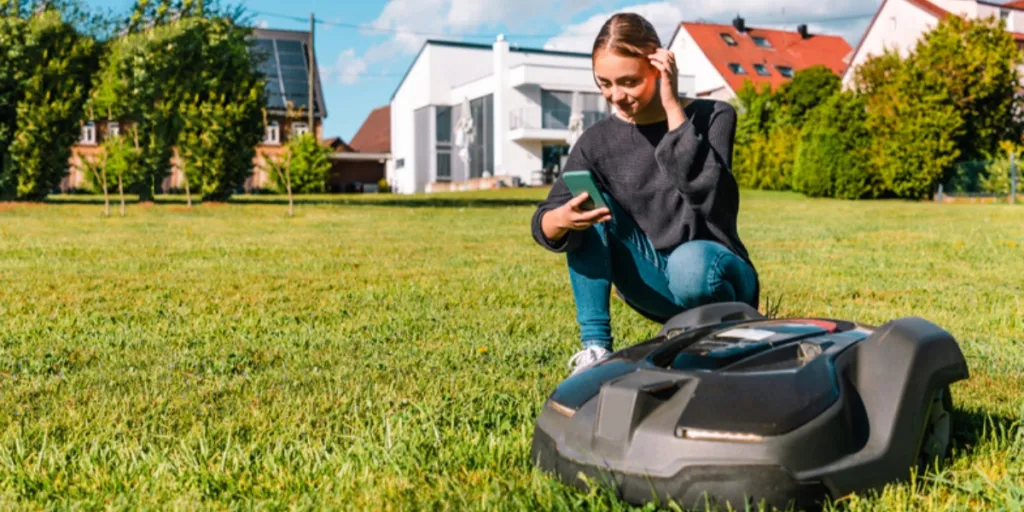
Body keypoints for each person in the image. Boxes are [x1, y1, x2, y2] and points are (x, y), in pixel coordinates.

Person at [530, 12, 760, 376]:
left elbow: (713, 200)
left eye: (629, 81)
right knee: (587, 209)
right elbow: (546, 217)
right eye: (604, 83)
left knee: (689, 264)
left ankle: (722, 333)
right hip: (653, 283)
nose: (616, 96)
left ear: (659, 64)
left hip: (717, 275)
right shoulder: (595, 143)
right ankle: (596, 350)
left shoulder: (715, 115)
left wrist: (672, 108)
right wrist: (560, 220)